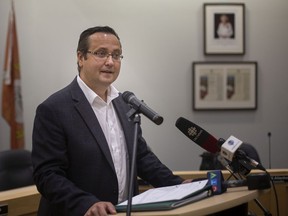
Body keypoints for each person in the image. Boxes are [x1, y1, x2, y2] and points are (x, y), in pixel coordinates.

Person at [32, 26, 188, 216]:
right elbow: (47, 175)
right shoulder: (54, 109)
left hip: (124, 212)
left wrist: (179, 185)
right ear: (80, 58)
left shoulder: (124, 104)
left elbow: (141, 158)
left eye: (116, 55)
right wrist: (86, 203)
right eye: (101, 53)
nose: (110, 62)